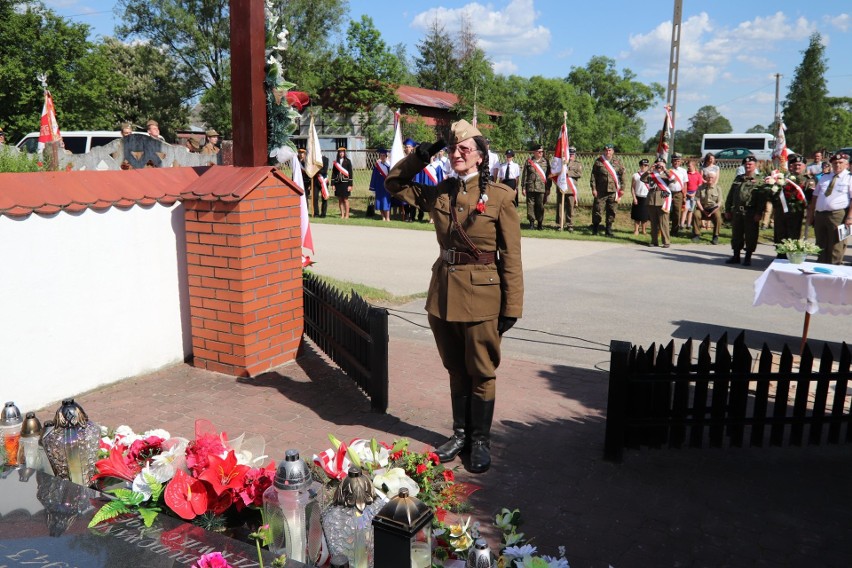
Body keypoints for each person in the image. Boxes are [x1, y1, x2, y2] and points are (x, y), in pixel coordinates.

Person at [385, 119, 523, 474]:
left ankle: (480, 441)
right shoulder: (441, 191)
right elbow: (394, 183)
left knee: (481, 371)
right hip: (443, 295)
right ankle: (460, 434)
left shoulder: (501, 197)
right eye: (452, 149)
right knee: (455, 369)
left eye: (464, 149)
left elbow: (511, 257)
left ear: (480, 156)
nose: (457, 154)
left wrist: (512, 307)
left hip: (482, 298)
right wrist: (424, 152)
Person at [807, 152, 852, 264]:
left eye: (840, 162)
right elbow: (815, 196)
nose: (837, 165)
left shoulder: (849, 178)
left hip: (838, 215)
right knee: (821, 243)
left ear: (846, 164)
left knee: (836, 244)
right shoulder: (825, 177)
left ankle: (834, 269)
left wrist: (850, 217)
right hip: (821, 214)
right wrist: (811, 214)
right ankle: (821, 267)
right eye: (835, 163)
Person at [770, 154, 815, 256]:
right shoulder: (784, 178)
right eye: (795, 164)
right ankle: (780, 255)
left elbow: (810, 199)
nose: (797, 167)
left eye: (799, 165)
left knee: (794, 235)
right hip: (781, 212)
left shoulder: (808, 180)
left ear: (804, 166)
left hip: (797, 214)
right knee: (780, 234)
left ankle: (792, 256)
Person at [724, 155, 766, 266]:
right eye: (746, 164)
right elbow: (730, 195)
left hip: (751, 212)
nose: (748, 165)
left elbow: (762, 199)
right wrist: (728, 209)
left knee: (751, 235)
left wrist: (759, 213)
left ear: (755, 165)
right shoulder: (738, 178)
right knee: (736, 234)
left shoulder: (759, 180)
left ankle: (748, 257)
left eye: (750, 164)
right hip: (737, 211)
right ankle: (736, 255)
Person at [642, 159, 672, 247]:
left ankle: (666, 241)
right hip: (651, 199)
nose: (659, 166)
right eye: (657, 164)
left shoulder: (666, 174)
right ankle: (654, 241)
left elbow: (674, 180)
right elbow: (642, 179)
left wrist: (665, 169)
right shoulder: (651, 174)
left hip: (663, 199)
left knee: (664, 223)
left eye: (661, 164)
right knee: (653, 223)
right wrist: (649, 170)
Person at [521, 144, 551, 230]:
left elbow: (549, 176)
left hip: (541, 188)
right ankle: (531, 223)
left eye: (542, 152)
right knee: (530, 205)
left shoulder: (546, 162)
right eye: (539, 152)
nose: (541, 153)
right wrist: (523, 187)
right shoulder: (529, 161)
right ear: (534, 152)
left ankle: (540, 223)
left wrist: (548, 188)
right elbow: (525, 175)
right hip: (530, 187)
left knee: (540, 205)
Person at [555, 146, 582, 232]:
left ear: (575, 154)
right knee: (560, 206)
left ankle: (570, 224)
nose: (571, 155)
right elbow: (555, 172)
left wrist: (568, 172)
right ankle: (560, 224)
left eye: (572, 154)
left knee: (570, 207)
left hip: (570, 189)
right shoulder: (561, 163)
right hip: (562, 187)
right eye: (569, 154)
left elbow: (579, 174)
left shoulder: (577, 163)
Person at [691, 171, 723, 245]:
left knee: (718, 216)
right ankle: (696, 234)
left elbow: (719, 203)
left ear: (715, 178)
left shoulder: (718, 188)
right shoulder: (700, 187)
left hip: (713, 209)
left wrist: (712, 212)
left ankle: (715, 236)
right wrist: (703, 210)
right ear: (705, 178)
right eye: (708, 177)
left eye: (712, 177)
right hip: (702, 208)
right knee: (696, 214)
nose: (710, 179)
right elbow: (697, 200)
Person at [667, 153, 688, 236]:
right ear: (672, 161)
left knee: (677, 213)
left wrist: (684, 196)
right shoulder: (668, 170)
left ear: (680, 162)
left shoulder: (683, 171)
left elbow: (685, 184)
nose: (676, 162)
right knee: (666, 212)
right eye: (675, 161)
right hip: (668, 193)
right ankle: (664, 229)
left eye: (678, 161)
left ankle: (674, 231)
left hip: (678, 193)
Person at [369, 148, 392, 221]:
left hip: (386, 185)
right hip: (379, 185)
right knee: (379, 201)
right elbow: (374, 176)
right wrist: (373, 186)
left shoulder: (389, 165)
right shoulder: (377, 166)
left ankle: (388, 217)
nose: (382, 157)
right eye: (381, 155)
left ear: (386, 156)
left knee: (386, 201)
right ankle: (383, 216)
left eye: (383, 155)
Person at [331, 147, 353, 219]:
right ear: (338, 153)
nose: (341, 153)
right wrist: (333, 184)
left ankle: (347, 215)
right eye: (340, 152)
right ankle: (342, 215)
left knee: (345, 199)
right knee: (340, 199)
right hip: (338, 182)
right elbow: (333, 173)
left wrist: (350, 185)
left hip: (345, 182)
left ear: (344, 153)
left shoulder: (348, 161)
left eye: (342, 152)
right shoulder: (336, 162)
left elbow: (350, 173)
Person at [630, 159, 650, 235]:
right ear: (640, 166)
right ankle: (636, 230)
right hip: (638, 196)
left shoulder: (650, 175)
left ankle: (644, 230)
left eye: (646, 165)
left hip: (646, 197)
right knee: (637, 215)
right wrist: (634, 197)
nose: (644, 167)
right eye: (642, 165)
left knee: (645, 216)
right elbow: (632, 187)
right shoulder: (636, 175)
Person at [681, 159, 702, 230]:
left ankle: (688, 224)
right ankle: (682, 224)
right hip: (687, 193)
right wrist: (686, 193)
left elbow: (699, 186)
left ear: (694, 166)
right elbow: (684, 184)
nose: (688, 167)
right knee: (685, 209)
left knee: (691, 210)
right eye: (687, 166)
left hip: (694, 193)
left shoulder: (698, 175)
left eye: (689, 166)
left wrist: (694, 194)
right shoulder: (686, 174)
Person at [312, 154, 330, 218]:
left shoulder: (325, 159)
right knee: (315, 198)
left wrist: (316, 171)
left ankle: (323, 214)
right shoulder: (313, 159)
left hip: (323, 181)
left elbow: (324, 170)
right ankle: (316, 213)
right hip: (315, 181)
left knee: (324, 198)